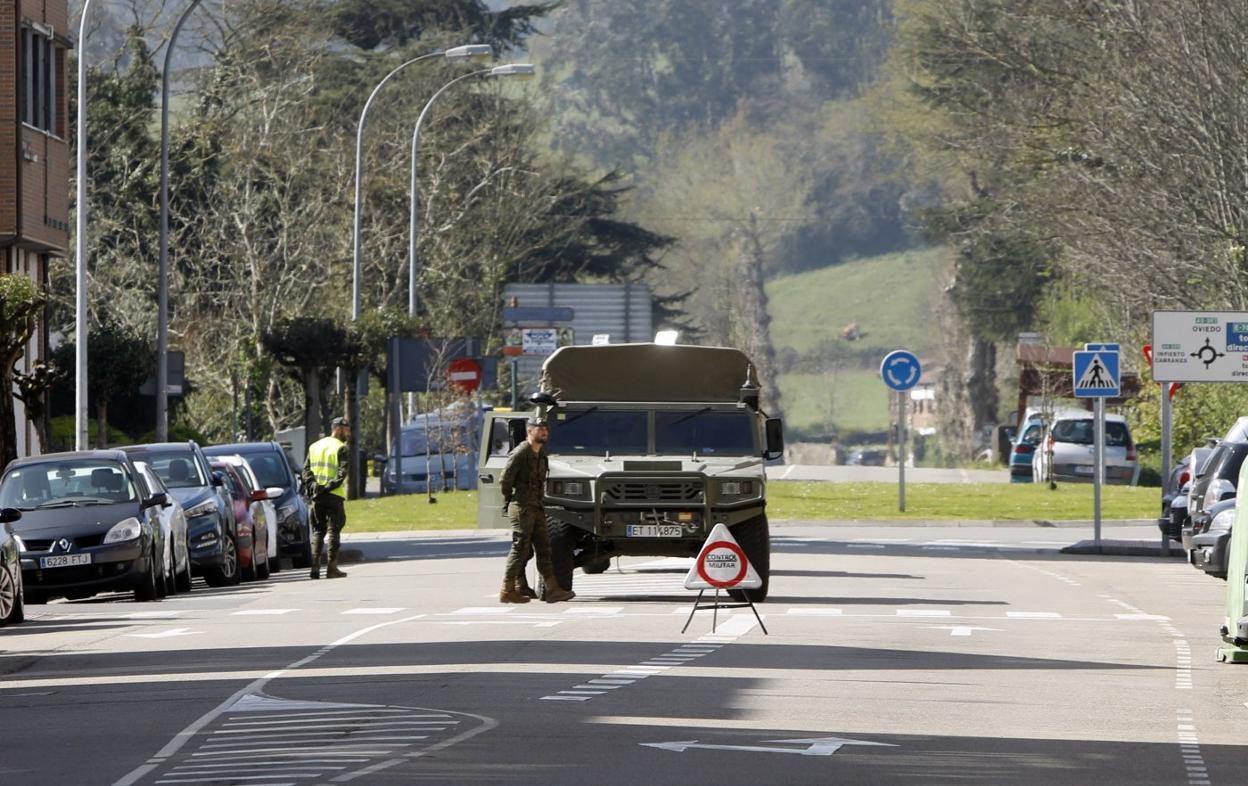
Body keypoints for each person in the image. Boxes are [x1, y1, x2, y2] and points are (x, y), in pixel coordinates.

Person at [499, 415, 574, 603]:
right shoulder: (521, 452)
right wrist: (510, 500)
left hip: (537, 507)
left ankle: (552, 589)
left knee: (544, 548)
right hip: (522, 506)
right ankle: (507, 590)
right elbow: (504, 480)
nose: (544, 432)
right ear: (529, 431)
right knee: (520, 547)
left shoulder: (541, 453)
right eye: (539, 429)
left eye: (546, 429)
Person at [302, 416, 351, 580]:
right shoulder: (341, 448)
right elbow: (341, 473)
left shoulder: (314, 446)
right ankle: (332, 568)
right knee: (333, 531)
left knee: (317, 531)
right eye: (346, 429)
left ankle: (314, 568)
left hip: (316, 496)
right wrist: (328, 487)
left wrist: (314, 487)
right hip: (333, 496)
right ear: (338, 428)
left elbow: (306, 471)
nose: (348, 433)